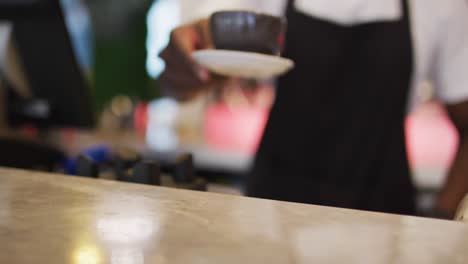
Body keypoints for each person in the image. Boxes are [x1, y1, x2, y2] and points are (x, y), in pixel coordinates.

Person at [158, 0, 468, 217]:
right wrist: (186, 60)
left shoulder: (441, 5)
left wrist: (441, 216)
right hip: (271, 218)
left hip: (385, 222)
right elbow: (185, 76)